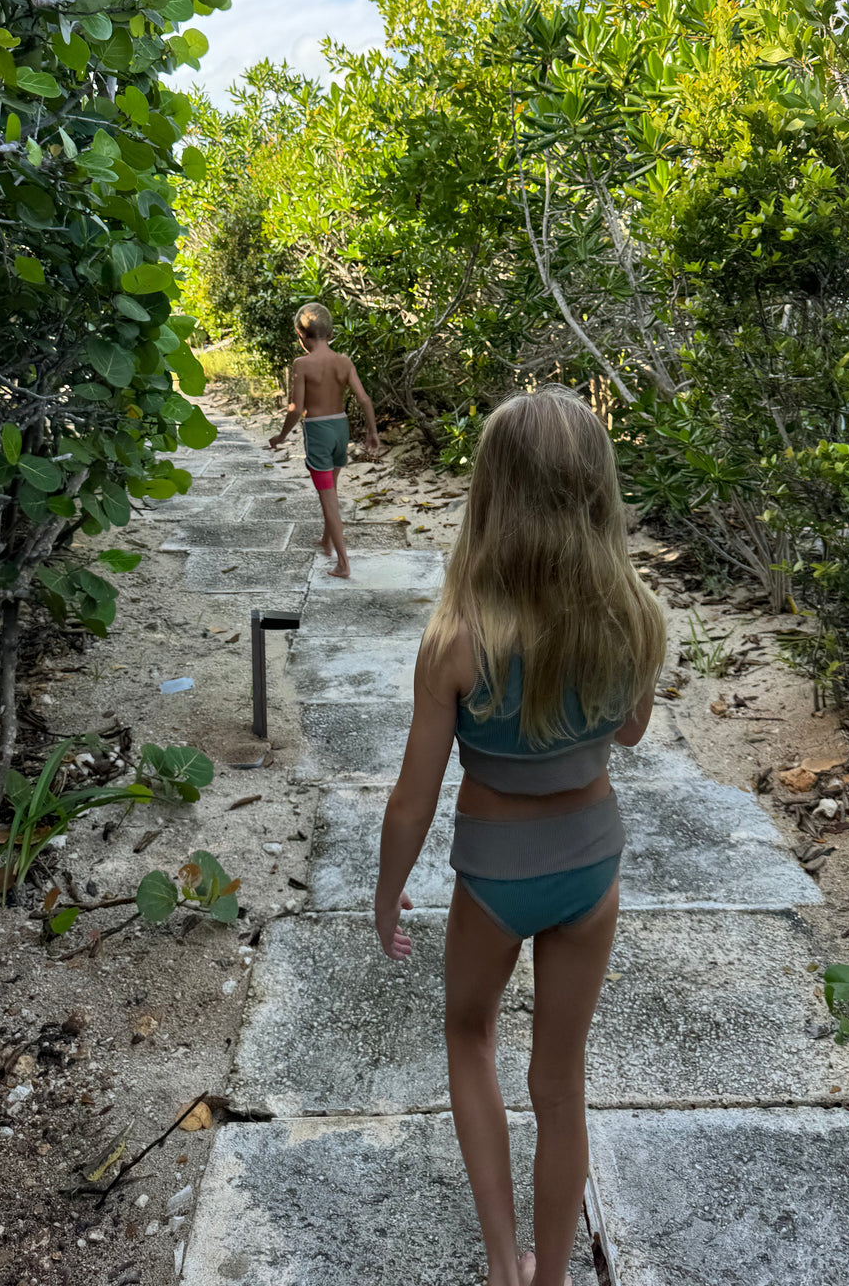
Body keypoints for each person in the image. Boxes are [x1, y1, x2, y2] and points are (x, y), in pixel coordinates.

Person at [374, 385, 665, 1286]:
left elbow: (412, 801)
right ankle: (554, 1278)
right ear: (597, 498)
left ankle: (506, 1263)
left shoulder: (455, 639)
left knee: (469, 1036)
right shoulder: (634, 618)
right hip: (592, 868)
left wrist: (386, 897)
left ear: (490, 496)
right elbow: (628, 734)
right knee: (561, 1082)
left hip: (494, 875)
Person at [268, 301, 380, 578]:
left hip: (318, 432)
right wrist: (372, 432)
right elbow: (364, 399)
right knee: (332, 487)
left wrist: (281, 435)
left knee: (328, 499)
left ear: (300, 335)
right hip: (340, 430)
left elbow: (297, 408)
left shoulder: (302, 364)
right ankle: (327, 540)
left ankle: (343, 563)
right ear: (331, 334)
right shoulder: (344, 362)